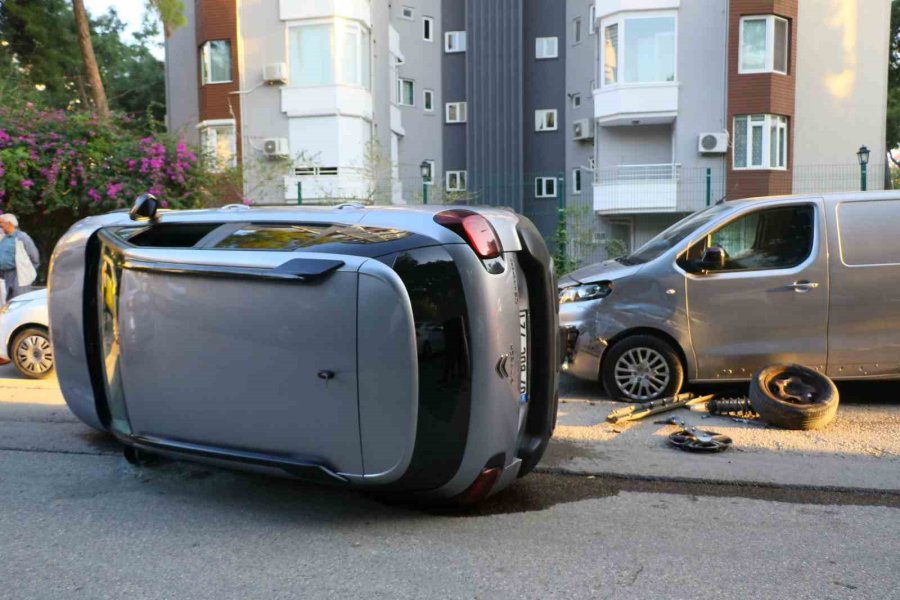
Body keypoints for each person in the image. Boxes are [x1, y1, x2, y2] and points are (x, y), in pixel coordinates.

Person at [0, 214, 40, 301]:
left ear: (9, 223)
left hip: (20, 273)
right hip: (6, 274)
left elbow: (34, 257)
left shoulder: (22, 237)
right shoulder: (3, 238)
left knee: (21, 300)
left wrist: (28, 273)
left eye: (1, 223)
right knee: (9, 301)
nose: (0, 226)